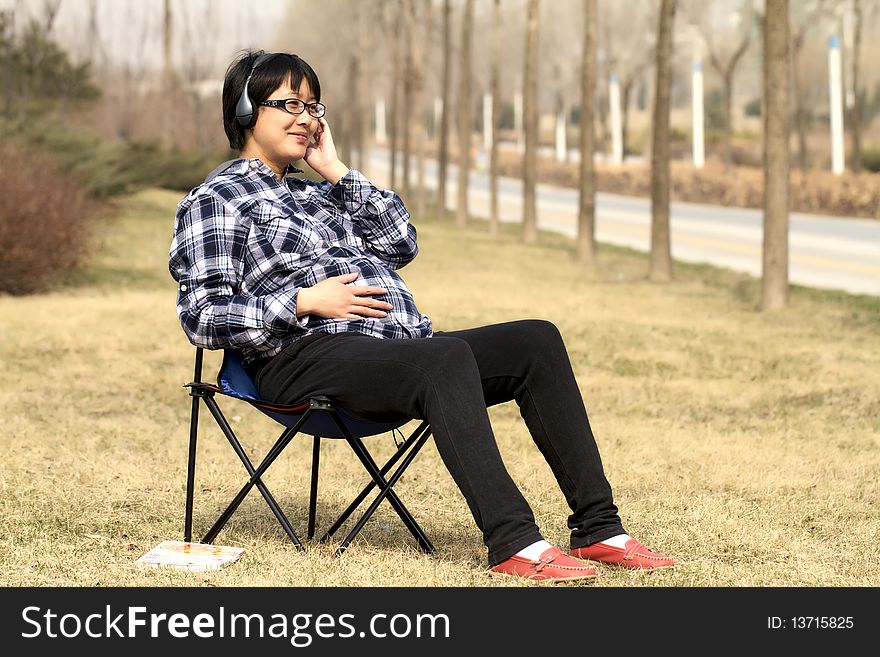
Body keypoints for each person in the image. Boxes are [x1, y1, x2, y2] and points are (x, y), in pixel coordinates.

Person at [169, 50, 674, 583]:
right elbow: (201, 316)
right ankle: (515, 543)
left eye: (314, 106)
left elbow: (400, 241)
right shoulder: (218, 200)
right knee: (443, 357)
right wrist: (302, 302)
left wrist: (335, 170)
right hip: (299, 357)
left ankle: (600, 528)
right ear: (247, 111)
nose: (306, 118)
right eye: (288, 103)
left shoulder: (322, 193)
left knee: (536, 341)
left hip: (396, 351)